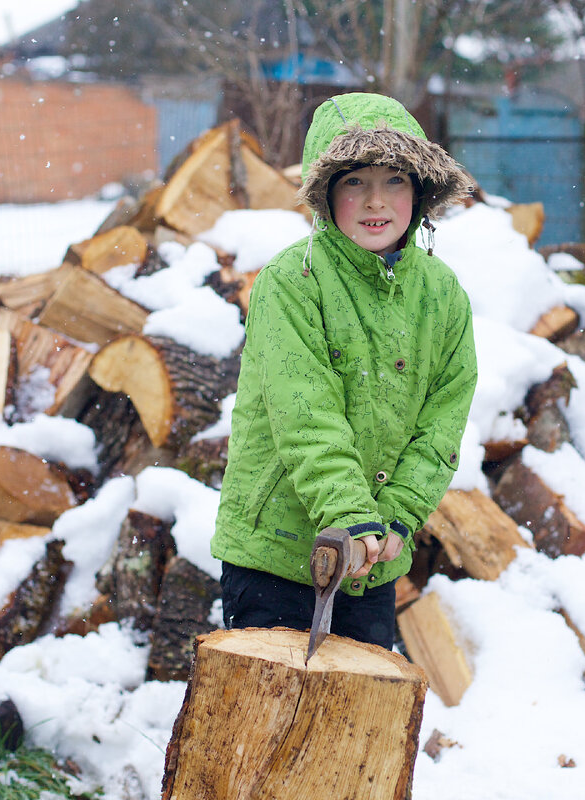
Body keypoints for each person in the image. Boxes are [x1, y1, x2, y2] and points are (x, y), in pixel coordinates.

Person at [211, 92, 478, 650]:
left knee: (355, 721)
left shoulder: (443, 295)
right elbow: (306, 416)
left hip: (371, 562)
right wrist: (350, 517)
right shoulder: (293, 282)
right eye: (355, 181)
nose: (375, 201)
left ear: (421, 190)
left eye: (395, 181)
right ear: (325, 192)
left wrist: (394, 522)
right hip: (276, 555)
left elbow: (442, 423)